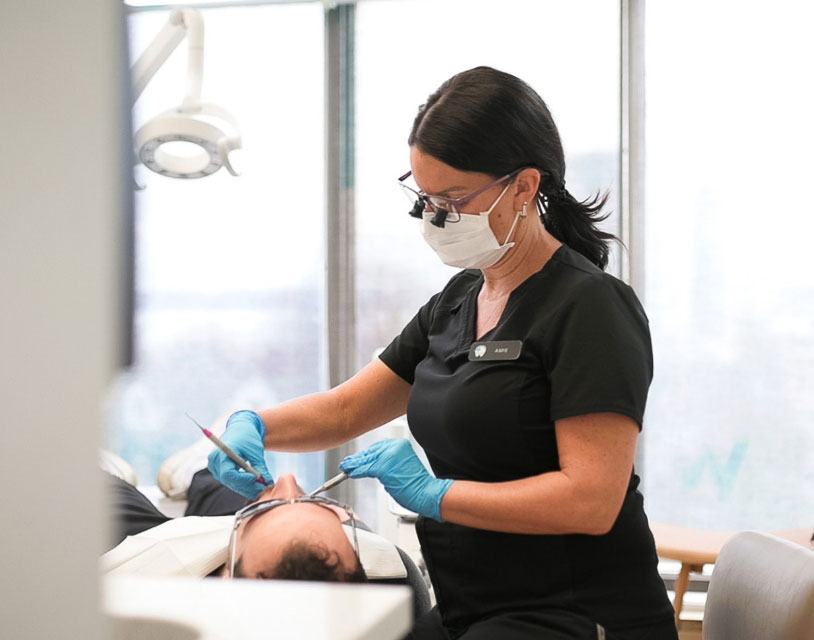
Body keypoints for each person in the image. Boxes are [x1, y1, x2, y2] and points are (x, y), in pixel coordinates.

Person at [208, 67, 678, 639]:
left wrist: (438, 495)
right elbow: (345, 411)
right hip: (471, 604)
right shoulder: (458, 300)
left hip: (578, 615)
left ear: (525, 188)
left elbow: (590, 501)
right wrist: (253, 423)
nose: (436, 216)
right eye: (425, 197)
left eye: (453, 198)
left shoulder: (591, 309)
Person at [104, 459, 432, 618]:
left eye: (264, 510)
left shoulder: (133, 589)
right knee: (233, 488)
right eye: (317, 502)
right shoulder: (397, 584)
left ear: (226, 575)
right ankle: (198, 468)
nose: (289, 480)